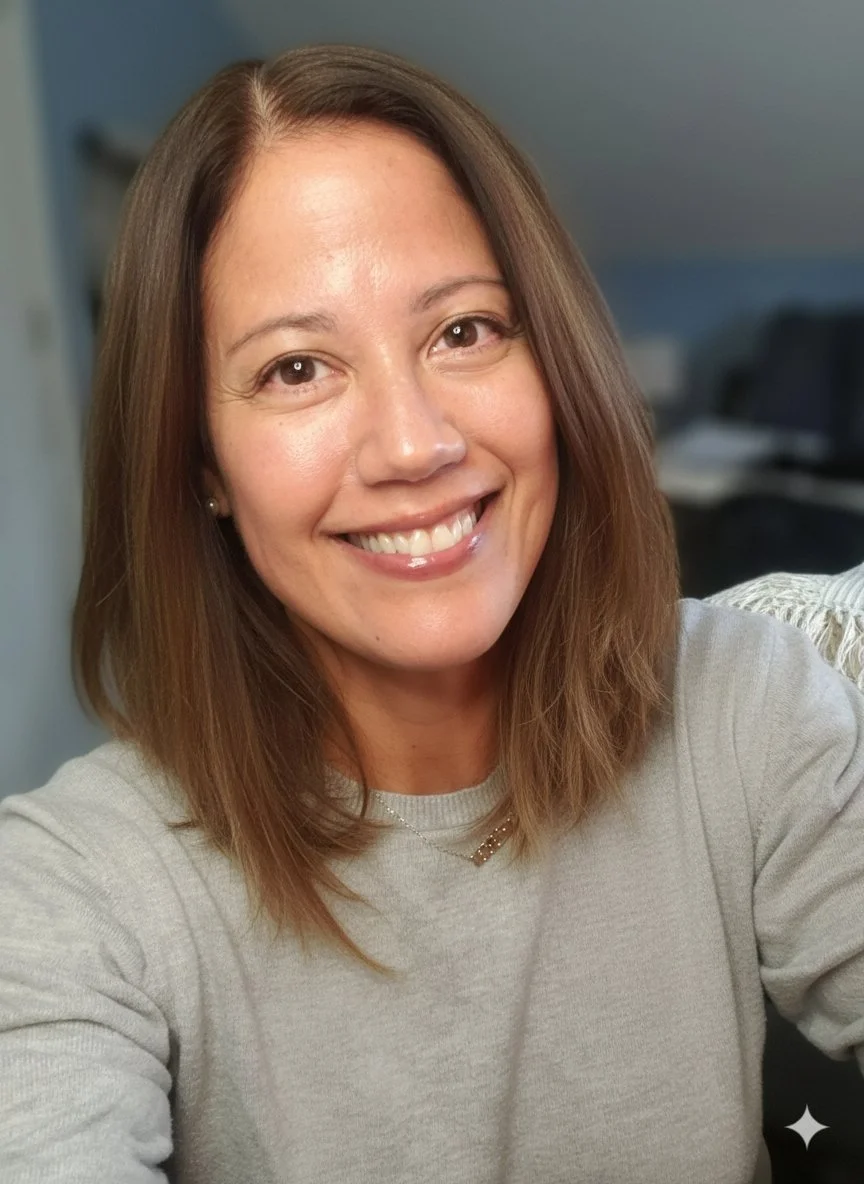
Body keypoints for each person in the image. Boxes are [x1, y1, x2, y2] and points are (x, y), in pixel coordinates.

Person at [0, 44, 861, 1184]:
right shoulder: (72, 886)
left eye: (464, 331)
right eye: (297, 368)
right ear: (199, 461)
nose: (415, 445)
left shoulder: (745, 702)